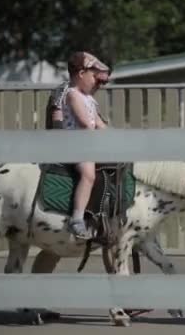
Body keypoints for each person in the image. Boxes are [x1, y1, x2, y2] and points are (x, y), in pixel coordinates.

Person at [60, 51, 111, 239]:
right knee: (88, 173)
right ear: (81, 74)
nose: (96, 82)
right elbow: (85, 123)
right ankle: (77, 218)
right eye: (93, 76)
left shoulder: (90, 99)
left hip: (87, 144)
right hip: (75, 145)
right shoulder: (72, 95)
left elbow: (99, 124)